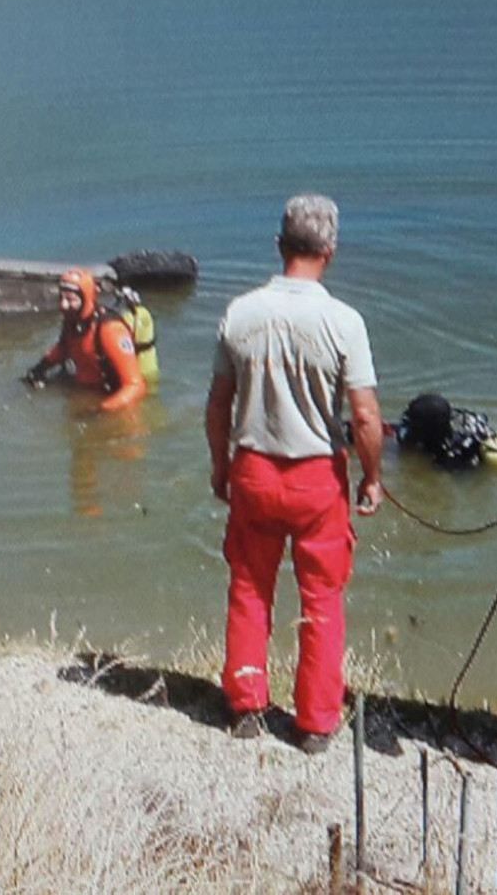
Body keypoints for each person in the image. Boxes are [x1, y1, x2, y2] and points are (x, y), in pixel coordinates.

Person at [205, 193, 384, 754]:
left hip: (254, 468)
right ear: (331, 250)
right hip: (315, 479)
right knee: (322, 598)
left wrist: (220, 466)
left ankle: (245, 707)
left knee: (250, 587)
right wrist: (372, 478)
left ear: (279, 244)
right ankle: (314, 722)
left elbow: (218, 406)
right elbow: (365, 416)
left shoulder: (240, 313)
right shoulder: (343, 322)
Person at [22, 267, 147, 412]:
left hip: (109, 397)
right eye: (61, 298)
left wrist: (101, 410)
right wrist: (39, 368)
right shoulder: (72, 320)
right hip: (83, 388)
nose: (63, 305)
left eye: (70, 299)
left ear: (86, 298)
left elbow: (136, 387)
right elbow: (64, 348)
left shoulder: (111, 330)